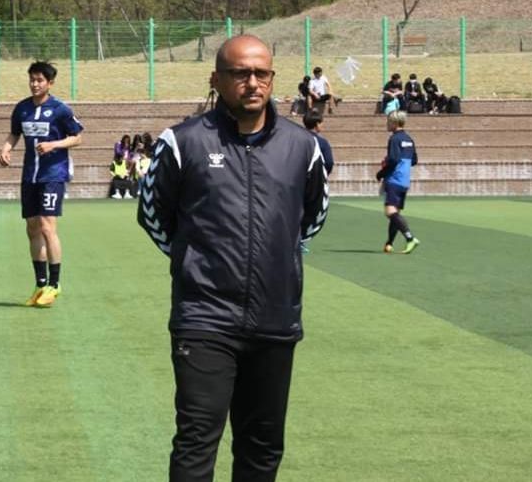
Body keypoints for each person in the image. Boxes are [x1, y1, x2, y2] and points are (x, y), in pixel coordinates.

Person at [137, 35, 329, 482]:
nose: (252, 83)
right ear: (217, 79)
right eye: (240, 73)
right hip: (204, 319)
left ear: (273, 79)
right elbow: (153, 215)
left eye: (261, 73)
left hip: (275, 319)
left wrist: (275, 258)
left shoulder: (303, 147)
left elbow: (313, 216)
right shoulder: (182, 142)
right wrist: (195, 259)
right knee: (196, 443)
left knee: (262, 449)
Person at [0, 61, 84, 308]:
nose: (35, 84)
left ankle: (56, 285)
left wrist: (53, 145)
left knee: (48, 227)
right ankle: (40, 284)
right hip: (29, 177)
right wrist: (5, 150)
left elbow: (78, 137)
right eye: (32, 80)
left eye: (40, 80)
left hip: (52, 175)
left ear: (50, 83)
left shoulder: (60, 110)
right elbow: (14, 133)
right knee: (32, 229)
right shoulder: (22, 108)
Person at [376, 110, 421, 255]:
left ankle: (410, 238)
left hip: (394, 179)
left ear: (394, 123)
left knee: (390, 212)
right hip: (404, 180)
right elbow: (414, 160)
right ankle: (389, 243)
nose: (387, 124)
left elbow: (394, 160)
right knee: (395, 212)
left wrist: (381, 173)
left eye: (388, 121)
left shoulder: (394, 139)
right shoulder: (409, 138)